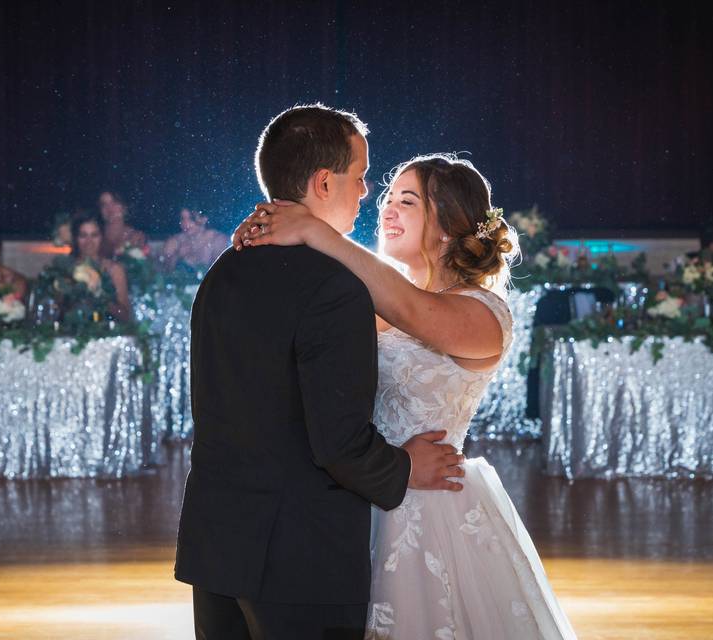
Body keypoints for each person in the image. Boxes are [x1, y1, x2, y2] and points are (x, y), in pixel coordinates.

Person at [234, 153, 578, 639]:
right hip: (361, 493)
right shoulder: (386, 303)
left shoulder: (482, 314)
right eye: (388, 199)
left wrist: (315, 230)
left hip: (432, 511)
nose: (387, 210)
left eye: (408, 201)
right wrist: (272, 239)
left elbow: (413, 307)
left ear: (448, 224)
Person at [175, 105, 464, 640]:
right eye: (359, 177)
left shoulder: (227, 267)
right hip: (298, 556)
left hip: (217, 541)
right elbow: (339, 443)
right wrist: (406, 469)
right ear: (324, 182)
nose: (365, 192)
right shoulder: (334, 288)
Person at [70, 210, 130, 321]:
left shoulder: (114, 270)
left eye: (94, 235)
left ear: (101, 237)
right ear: (76, 239)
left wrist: (102, 298)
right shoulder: (66, 269)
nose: (89, 241)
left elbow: (125, 315)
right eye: (83, 235)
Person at [159, 208, 230, 271]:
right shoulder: (175, 241)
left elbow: (222, 270)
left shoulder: (218, 239)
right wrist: (177, 256)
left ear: (204, 219)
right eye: (182, 219)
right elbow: (162, 270)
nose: (185, 223)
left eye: (191, 218)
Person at [98, 190, 150, 259]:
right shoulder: (95, 235)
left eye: (115, 202)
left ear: (124, 207)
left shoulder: (136, 236)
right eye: (104, 204)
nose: (109, 208)